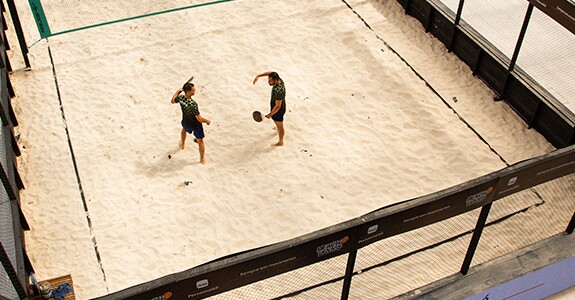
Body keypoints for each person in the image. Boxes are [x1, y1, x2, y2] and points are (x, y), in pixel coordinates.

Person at [171, 82, 211, 164]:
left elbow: (173, 101)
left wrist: (178, 91)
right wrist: (207, 121)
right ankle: (202, 159)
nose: (195, 91)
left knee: (184, 129)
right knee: (200, 141)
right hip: (195, 125)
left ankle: (182, 144)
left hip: (185, 121)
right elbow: (199, 118)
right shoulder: (193, 104)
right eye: (193, 90)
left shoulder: (181, 98)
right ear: (188, 91)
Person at [253, 71, 286, 146]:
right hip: (278, 104)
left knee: (281, 127)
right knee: (276, 121)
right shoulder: (279, 79)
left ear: (275, 80)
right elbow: (271, 72)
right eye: (269, 80)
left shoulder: (279, 90)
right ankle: (278, 127)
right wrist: (259, 75)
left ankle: (281, 142)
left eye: (270, 81)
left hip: (278, 109)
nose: (268, 82)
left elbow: (278, 106)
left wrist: (270, 114)